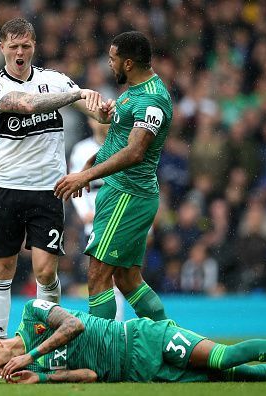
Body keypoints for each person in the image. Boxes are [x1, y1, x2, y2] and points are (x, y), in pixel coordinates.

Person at [0, 17, 112, 338]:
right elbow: (26, 105)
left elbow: (91, 110)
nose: (20, 52)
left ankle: (43, 341)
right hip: (6, 188)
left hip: (48, 189)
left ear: (34, 46)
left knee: (45, 270)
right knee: (2, 269)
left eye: (25, 45)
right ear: (2, 48)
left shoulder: (54, 79)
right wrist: (75, 94)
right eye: (13, 46)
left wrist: (102, 110)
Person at [54, 31, 172, 321]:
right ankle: (169, 339)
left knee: (97, 275)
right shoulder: (133, 91)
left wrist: (86, 176)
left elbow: (134, 152)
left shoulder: (151, 100)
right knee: (127, 279)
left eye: (112, 59)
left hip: (127, 196)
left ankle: (101, 350)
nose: (109, 64)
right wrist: (88, 165)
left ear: (129, 63)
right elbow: (117, 141)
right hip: (122, 192)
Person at [0, 299, 266, 383]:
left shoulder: (31, 313)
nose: (0, 371)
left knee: (223, 357)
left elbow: (73, 326)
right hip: (139, 371)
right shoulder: (33, 370)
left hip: (144, 338)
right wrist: (42, 379)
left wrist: (32, 354)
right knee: (236, 379)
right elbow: (87, 375)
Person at [69, 119, 126, 320]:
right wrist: (84, 212)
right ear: (90, 123)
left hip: (119, 216)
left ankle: (115, 326)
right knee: (99, 275)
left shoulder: (124, 145)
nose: (102, 123)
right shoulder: (81, 149)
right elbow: (75, 182)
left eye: (107, 119)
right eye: (96, 118)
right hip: (93, 220)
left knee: (118, 275)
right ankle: (105, 325)